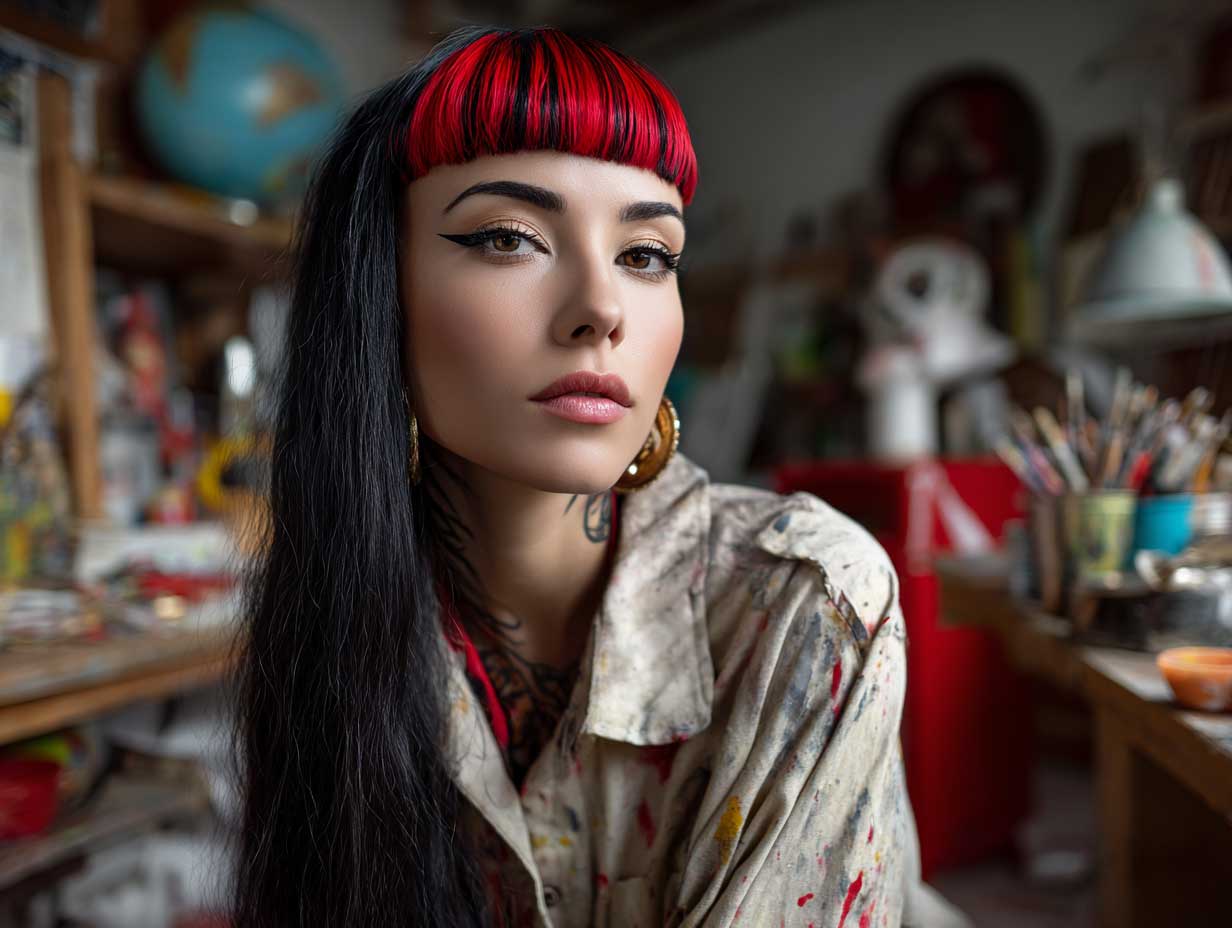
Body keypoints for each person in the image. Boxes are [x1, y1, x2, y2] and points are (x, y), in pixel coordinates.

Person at [228, 23, 967, 928]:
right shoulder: (329, 611)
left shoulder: (805, 603)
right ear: (378, 296)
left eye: (646, 255)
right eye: (508, 238)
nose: (601, 309)